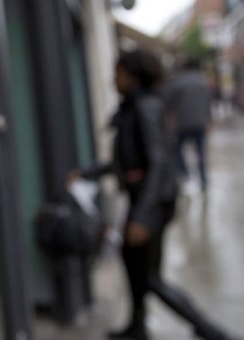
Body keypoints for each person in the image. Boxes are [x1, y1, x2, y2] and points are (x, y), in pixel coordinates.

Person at [69, 49, 231, 340]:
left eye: (116, 73)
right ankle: (136, 327)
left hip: (152, 203)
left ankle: (210, 331)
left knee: (150, 277)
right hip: (144, 199)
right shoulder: (133, 108)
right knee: (133, 267)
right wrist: (86, 173)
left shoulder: (146, 108)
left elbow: (157, 162)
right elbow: (127, 162)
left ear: (131, 76)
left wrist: (142, 217)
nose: (111, 80)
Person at [163, 59, 213, 192]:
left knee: (177, 149)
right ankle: (203, 179)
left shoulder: (177, 82)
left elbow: (166, 102)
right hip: (199, 123)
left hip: (182, 123)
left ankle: (185, 173)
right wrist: (209, 119)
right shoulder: (202, 82)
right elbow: (208, 102)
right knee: (201, 152)